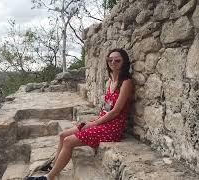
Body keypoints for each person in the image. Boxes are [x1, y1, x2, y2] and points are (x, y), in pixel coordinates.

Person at [27, 48, 133, 180]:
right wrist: (95, 120)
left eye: (117, 60)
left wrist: (93, 124)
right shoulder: (111, 81)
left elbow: (116, 111)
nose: (113, 62)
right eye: (110, 60)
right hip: (103, 120)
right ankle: (55, 166)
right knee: (63, 135)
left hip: (113, 127)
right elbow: (106, 107)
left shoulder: (126, 83)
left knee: (68, 141)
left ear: (124, 62)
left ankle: (48, 177)